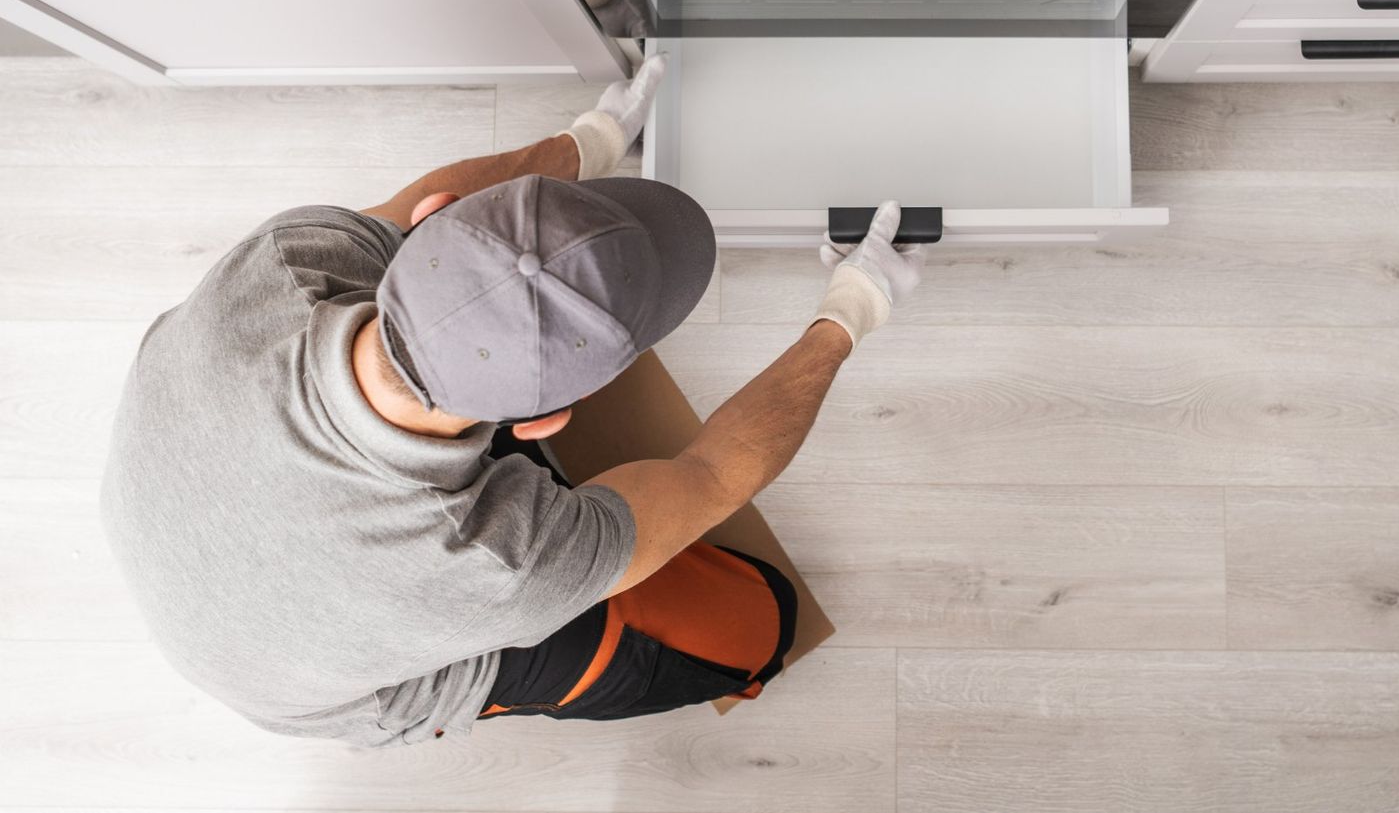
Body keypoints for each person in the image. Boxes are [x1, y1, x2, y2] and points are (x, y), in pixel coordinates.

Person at [99, 59, 926, 746]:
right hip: (313, 677)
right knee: (758, 624)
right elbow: (711, 475)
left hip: (180, 498)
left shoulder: (287, 262)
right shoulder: (498, 564)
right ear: (543, 424)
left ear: (433, 223)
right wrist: (851, 309)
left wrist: (589, 139)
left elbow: (415, 203)